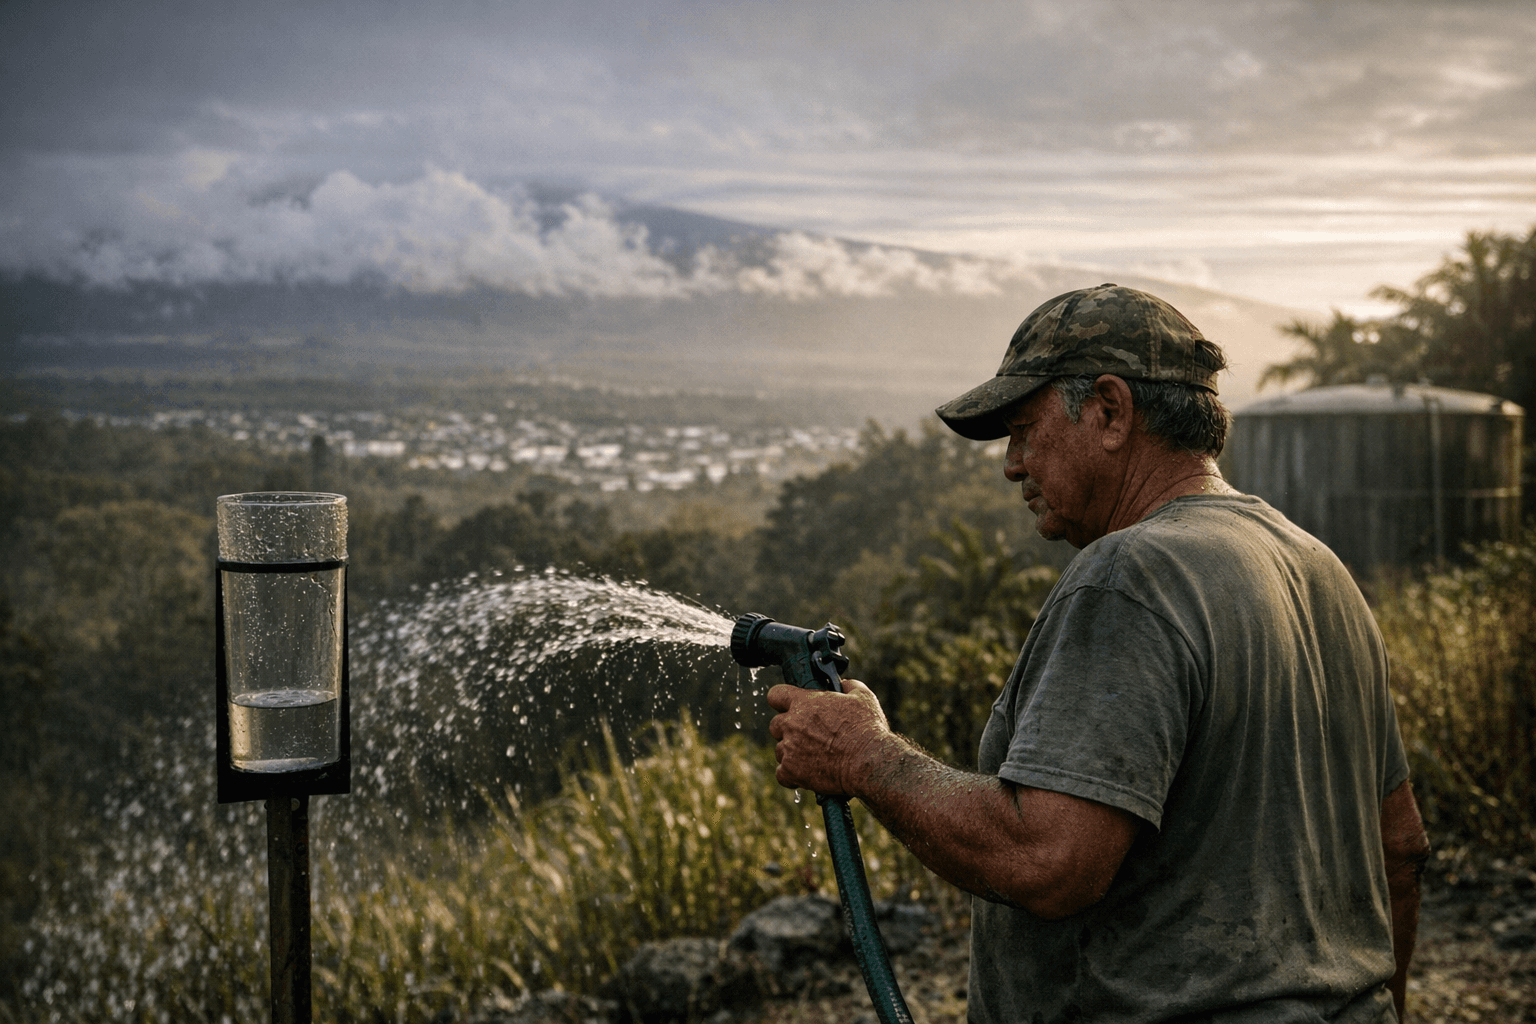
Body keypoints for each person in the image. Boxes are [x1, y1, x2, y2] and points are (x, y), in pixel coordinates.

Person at [767, 283, 1430, 1023]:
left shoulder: (1131, 574)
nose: (1013, 464)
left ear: (1111, 412)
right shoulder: (1316, 565)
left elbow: (1050, 861)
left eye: (1023, 429)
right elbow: (1399, 847)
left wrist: (864, 756)